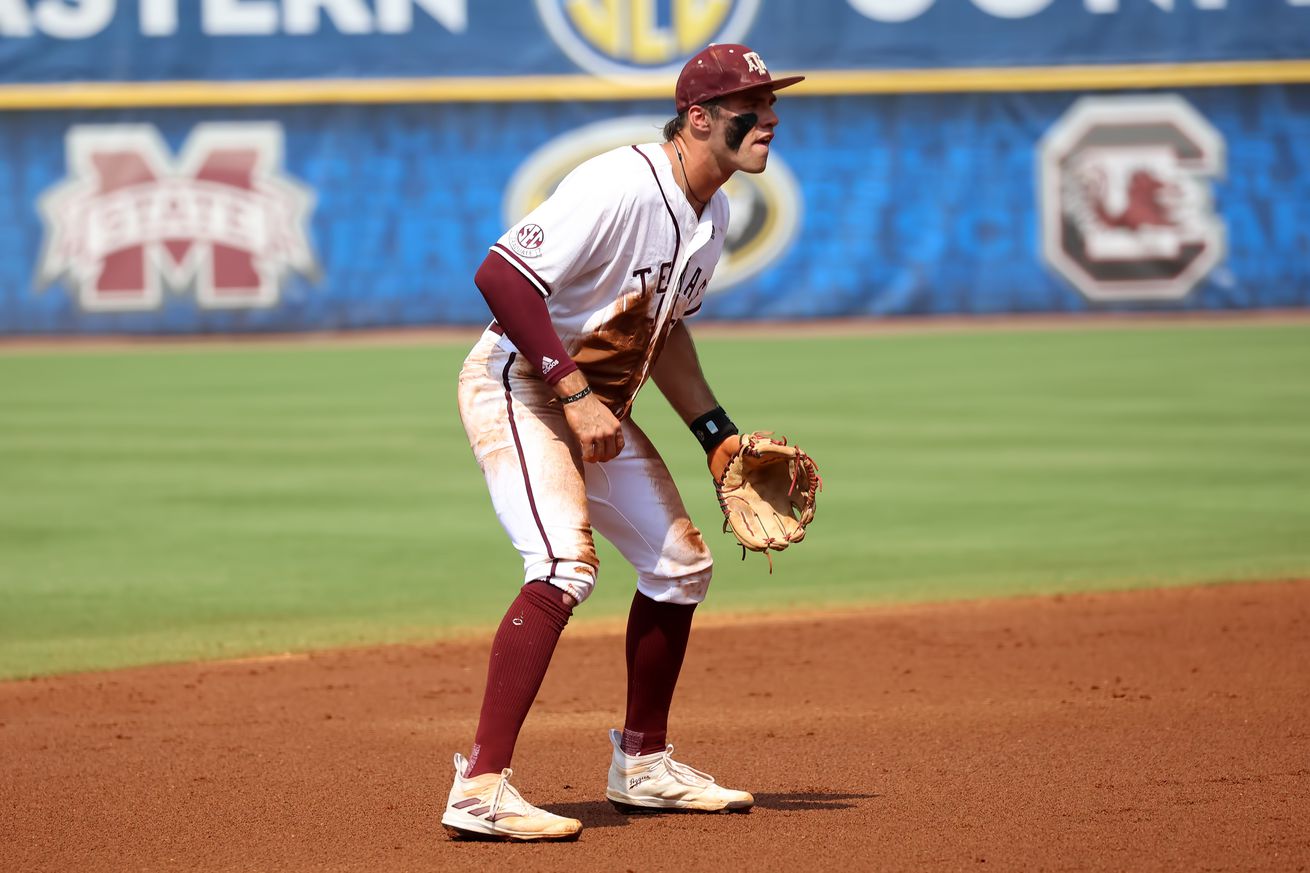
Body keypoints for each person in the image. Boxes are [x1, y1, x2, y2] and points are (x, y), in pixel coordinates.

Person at [441, 43, 804, 842]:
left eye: (773, 103)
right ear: (700, 119)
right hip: (521, 386)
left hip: (592, 403)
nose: (771, 118)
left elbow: (662, 331)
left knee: (680, 566)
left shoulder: (713, 215)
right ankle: (479, 787)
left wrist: (716, 434)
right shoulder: (620, 184)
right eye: (754, 105)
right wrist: (571, 393)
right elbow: (501, 278)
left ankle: (643, 764)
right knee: (563, 564)